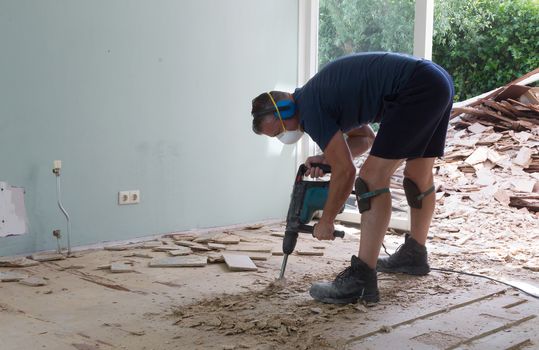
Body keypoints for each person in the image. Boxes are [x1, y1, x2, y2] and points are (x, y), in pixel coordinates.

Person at [250, 52, 454, 304]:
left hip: (416, 88)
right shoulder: (316, 96)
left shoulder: (310, 111)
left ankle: (361, 279)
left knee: (370, 179)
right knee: (417, 176)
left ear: (287, 109)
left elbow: (347, 172)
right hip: (435, 82)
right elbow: (364, 139)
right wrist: (327, 159)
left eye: (280, 130)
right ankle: (414, 255)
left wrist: (326, 220)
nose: (285, 136)